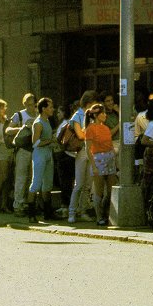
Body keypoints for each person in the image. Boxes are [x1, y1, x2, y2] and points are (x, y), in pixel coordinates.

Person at [67, 90, 98, 223]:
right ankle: (72, 212)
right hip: (81, 151)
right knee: (79, 184)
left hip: (91, 150)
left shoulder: (91, 116)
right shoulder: (77, 116)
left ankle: (83, 210)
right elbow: (80, 135)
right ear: (89, 103)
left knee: (87, 184)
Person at [5, 93, 38, 216]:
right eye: (28, 105)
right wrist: (23, 128)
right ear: (24, 104)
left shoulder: (38, 115)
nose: (30, 107)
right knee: (21, 178)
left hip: (35, 149)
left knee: (32, 179)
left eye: (33, 104)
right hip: (23, 149)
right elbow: (8, 130)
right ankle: (18, 204)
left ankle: (29, 203)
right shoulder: (19, 115)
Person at [84, 103, 117, 226]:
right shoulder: (90, 128)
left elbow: (110, 144)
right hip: (98, 159)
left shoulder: (106, 128)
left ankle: (106, 212)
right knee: (99, 191)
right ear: (96, 115)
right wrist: (93, 166)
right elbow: (88, 149)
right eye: (102, 113)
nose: (105, 115)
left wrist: (113, 154)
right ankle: (99, 217)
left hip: (109, 158)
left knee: (110, 190)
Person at [27, 98, 56, 221]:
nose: (52, 109)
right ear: (43, 109)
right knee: (36, 183)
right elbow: (35, 142)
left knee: (47, 184)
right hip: (40, 154)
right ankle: (31, 214)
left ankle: (47, 213)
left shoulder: (47, 121)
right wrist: (51, 140)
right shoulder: (38, 122)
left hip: (48, 153)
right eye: (50, 107)